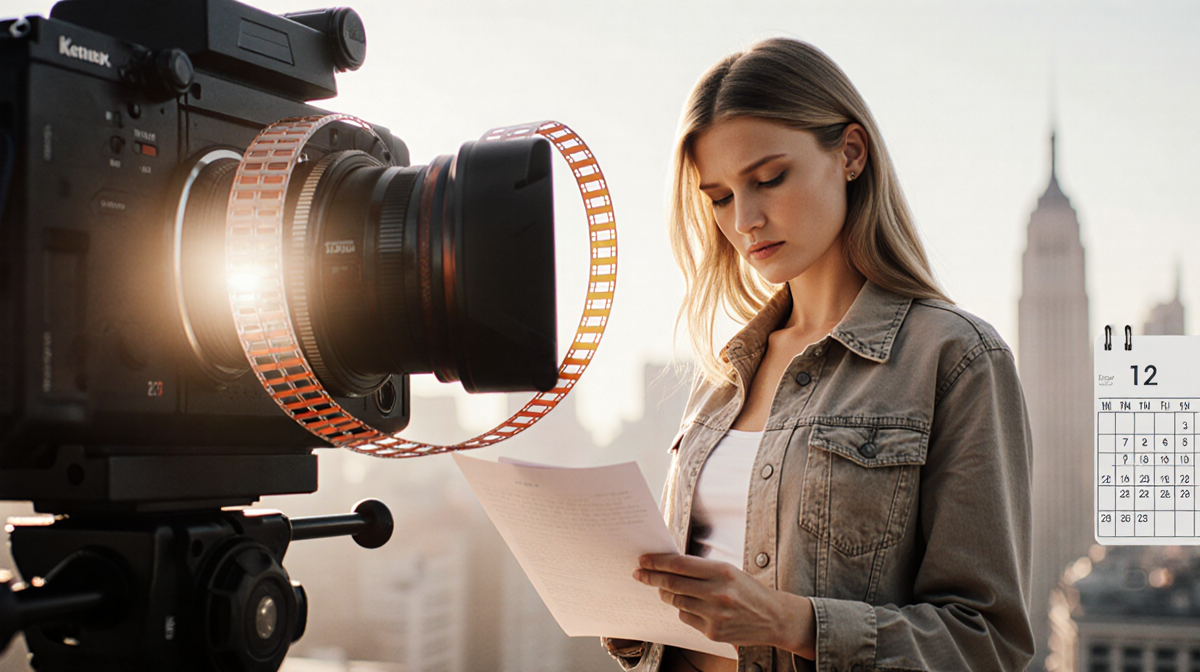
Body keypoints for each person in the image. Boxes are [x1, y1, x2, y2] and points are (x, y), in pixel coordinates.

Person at [603, 38, 1034, 672]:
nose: (744, 218)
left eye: (768, 178)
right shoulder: (723, 379)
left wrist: (791, 622)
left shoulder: (957, 360)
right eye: (719, 196)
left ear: (851, 153)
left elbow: (987, 643)